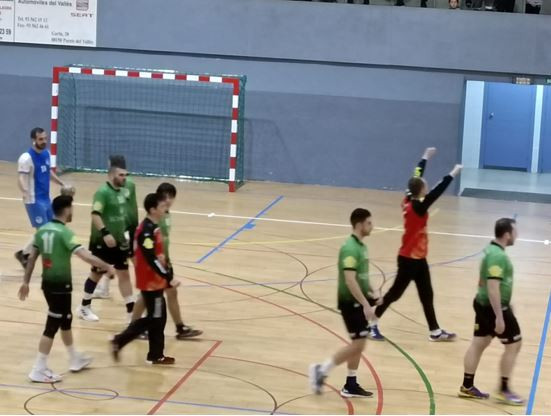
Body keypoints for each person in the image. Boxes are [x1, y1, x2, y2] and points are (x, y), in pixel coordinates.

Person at [18, 195, 115, 383]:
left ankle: (74, 358)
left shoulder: (42, 230)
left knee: (65, 319)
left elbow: (31, 258)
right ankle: (38, 368)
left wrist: (26, 282)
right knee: (52, 325)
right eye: (72, 208)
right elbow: (85, 256)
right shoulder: (65, 233)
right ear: (67, 209)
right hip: (60, 286)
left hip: (48, 284)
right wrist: (107, 266)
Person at [370, 147, 462, 341]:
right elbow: (438, 190)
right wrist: (453, 173)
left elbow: (416, 175)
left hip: (419, 258)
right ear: (420, 190)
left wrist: (425, 158)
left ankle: (435, 332)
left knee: (427, 294)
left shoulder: (408, 197)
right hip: (408, 259)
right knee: (395, 294)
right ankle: (371, 323)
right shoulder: (418, 207)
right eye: (424, 185)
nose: (427, 186)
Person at [309, 208, 379, 398]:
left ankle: (350, 384)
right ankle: (322, 370)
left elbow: (361, 276)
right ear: (359, 224)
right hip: (350, 303)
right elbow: (349, 279)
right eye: (369, 223)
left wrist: (373, 291)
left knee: (359, 343)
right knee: (358, 344)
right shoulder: (350, 248)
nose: (372, 226)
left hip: (359, 301)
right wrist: (366, 304)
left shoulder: (361, 246)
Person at [459, 218, 524, 405]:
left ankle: (467, 386)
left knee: (480, 342)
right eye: (515, 232)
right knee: (514, 344)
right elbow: (493, 286)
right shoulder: (497, 256)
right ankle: (504, 390)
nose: (517, 235)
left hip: (483, 303)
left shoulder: (490, 250)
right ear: (507, 235)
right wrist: (499, 317)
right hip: (493, 307)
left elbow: (485, 282)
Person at [110, 193, 178, 365]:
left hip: (155, 280)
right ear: (153, 209)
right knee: (154, 318)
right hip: (150, 281)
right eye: (162, 207)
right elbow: (151, 258)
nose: (165, 209)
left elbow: (159, 255)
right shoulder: (146, 231)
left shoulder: (153, 227)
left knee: (159, 317)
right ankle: (120, 340)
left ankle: (155, 354)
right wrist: (168, 277)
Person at [131, 183, 202, 340]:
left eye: (171, 196)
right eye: (165, 197)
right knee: (146, 296)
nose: (168, 200)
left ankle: (180, 328)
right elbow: (146, 242)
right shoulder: (154, 219)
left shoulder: (166, 214)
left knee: (170, 292)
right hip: (155, 263)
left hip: (164, 260)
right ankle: (133, 328)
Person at [76, 156, 135, 321]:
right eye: (121, 175)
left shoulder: (122, 192)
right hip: (102, 241)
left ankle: (131, 313)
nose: (124, 178)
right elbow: (95, 214)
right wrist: (105, 232)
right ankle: (84, 307)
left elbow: (122, 216)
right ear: (112, 175)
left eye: (126, 175)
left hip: (119, 241)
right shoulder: (102, 193)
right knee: (96, 273)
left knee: (124, 274)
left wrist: (127, 233)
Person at [15, 127, 69, 269]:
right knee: (45, 232)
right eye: (40, 139)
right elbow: (21, 178)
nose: (44, 141)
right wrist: (25, 191)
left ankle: (23, 253)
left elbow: (48, 172)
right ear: (33, 140)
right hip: (33, 200)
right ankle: (47, 262)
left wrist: (61, 183)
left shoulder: (46, 153)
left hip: (46, 198)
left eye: (45, 138)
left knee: (48, 228)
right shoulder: (26, 158)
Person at [93, 155, 138, 299]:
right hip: (122, 226)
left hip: (126, 226)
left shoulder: (126, 183)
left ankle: (144, 289)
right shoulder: (123, 181)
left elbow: (122, 205)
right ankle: (104, 289)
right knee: (114, 258)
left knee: (132, 258)